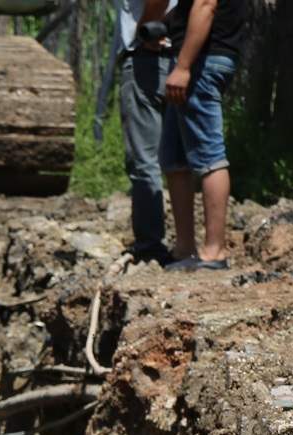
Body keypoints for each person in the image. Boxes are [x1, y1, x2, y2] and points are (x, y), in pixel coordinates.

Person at [160, 0, 248, 272]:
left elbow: (206, 4)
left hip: (202, 61)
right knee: (174, 157)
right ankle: (184, 248)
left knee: (208, 155)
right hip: (197, 57)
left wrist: (184, 65)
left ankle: (214, 251)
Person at [118, 0, 176, 264]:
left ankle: (150, 246)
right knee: (180, 158)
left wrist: (145, 31)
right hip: (178, 56)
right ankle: (189, 245)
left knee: (144, 160)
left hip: (148, 58)